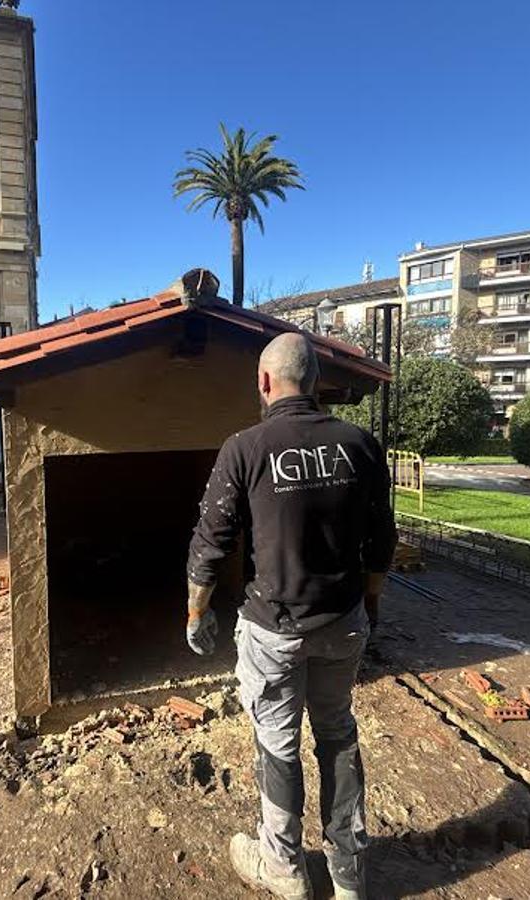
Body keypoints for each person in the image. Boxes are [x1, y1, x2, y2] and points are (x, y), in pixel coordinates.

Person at [184, 332, 398, 900]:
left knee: (277, 744)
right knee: (337, 734)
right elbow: (383, 539)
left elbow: (210, 544)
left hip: (273, 630)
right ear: (317, 383)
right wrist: (369, 602)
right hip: (343, 622)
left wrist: (195, 612)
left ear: (263, 382)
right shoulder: (361, 445)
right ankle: (348, 872)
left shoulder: (246, 447)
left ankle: (283, 865)